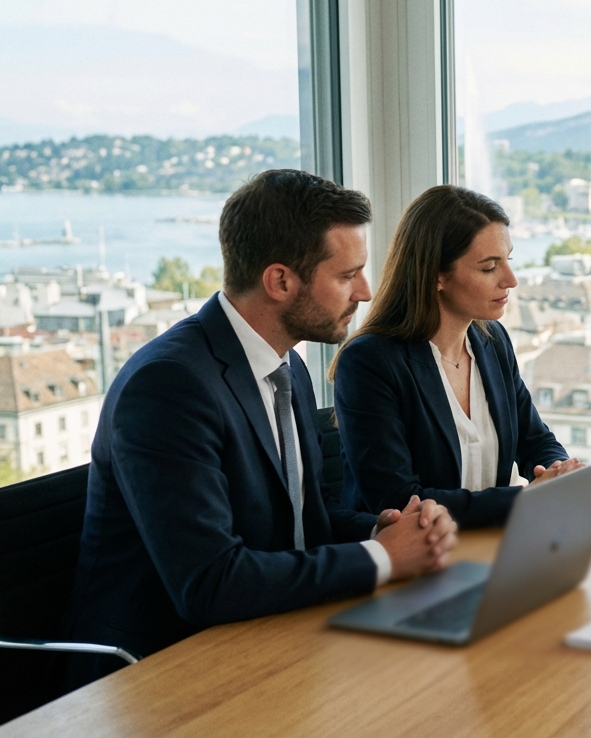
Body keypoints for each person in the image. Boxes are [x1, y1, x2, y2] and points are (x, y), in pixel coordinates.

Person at [66, 169, 458, 687]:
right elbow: (210, 583)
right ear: (280, 281)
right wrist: (381, 558)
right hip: (155, 673)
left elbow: (304, 520)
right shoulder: (168, 386)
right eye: (347, 275)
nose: (365, 292)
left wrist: (383, 531)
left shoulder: (287, 364)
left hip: (271, 633)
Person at [333, 185, 578, 529]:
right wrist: (524, 499)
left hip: (490, 543)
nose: (510, 280)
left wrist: (560, 472)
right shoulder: (369, 362)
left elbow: (535, 440)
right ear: (437, 275)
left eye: (508, 261)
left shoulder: (492, 342)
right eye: (489, 267)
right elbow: (399, 499)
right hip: (413, 555)